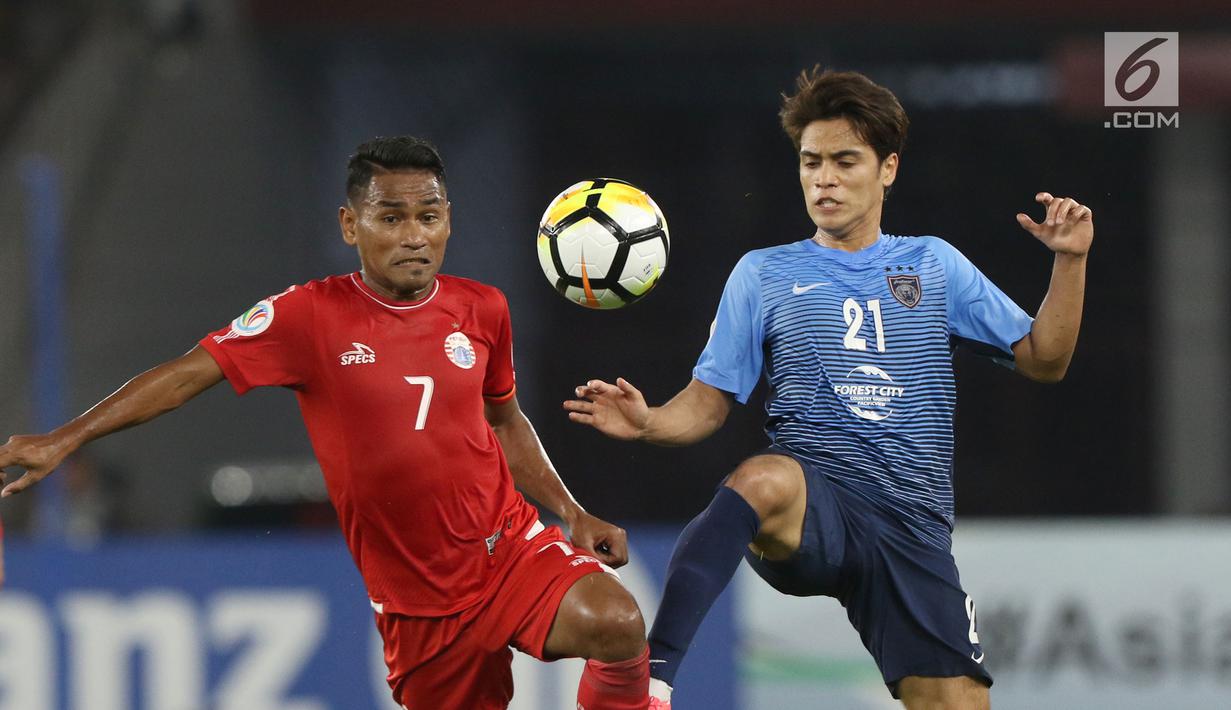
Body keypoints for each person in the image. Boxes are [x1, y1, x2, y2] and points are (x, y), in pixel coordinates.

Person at [0, 136, 651, 710]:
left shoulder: (482, 309)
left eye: (428, 216)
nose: (413, 235)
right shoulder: (307, 316)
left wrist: (569, 511)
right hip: (418, 606)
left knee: (617, 622)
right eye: (390, 217)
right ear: (350, 224)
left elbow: (504, 421)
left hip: (505, 550)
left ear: (448, 219)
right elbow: (182, 377)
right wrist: (67, 437)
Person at [565, 67, 1092, 710]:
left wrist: (1070, 260)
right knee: (760, 477)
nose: (824, 178)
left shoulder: (933, 263)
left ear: (888, 168)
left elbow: (1045, 359)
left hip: (912, 527)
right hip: (816, 506)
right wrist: (648, 422)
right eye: (811, 162)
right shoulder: (763, 274)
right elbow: (709, 403)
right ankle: (650, 682)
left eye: (845, 161)